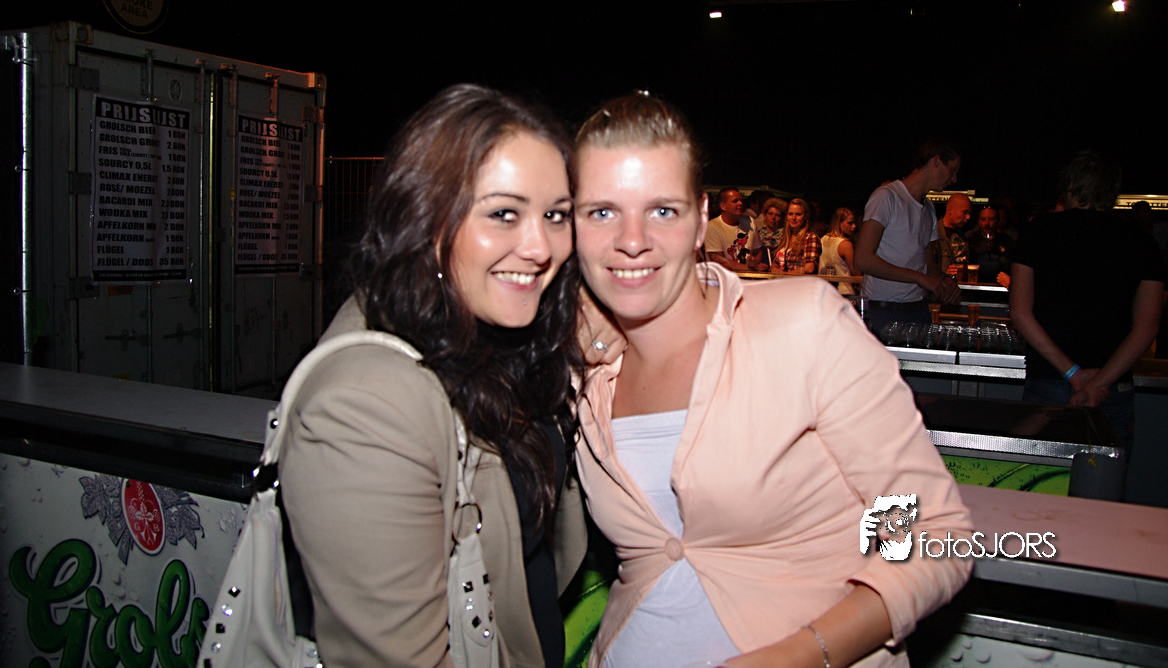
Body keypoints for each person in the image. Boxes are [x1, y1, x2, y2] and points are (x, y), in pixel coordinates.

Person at [571, 93, 973, 668]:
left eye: (661, 210)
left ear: (700, 217)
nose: (632, 239)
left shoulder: (801, 325)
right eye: (602, 212)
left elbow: (928, 529)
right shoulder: (584, 371)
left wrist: (803, 653)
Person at [279, 84, 587, 667]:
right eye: (503, 213)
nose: (540, 247)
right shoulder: (365, 404)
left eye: (556, 215)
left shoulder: (499, 331)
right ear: (427, 215)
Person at [1010, 151, 1165, 454]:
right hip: (1112, 386)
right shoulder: (1143, 242)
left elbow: (1020, 312)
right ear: (1113, 192)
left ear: (1069, 187)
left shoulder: (1037, 232)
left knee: (1041, 477)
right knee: (1104, 480)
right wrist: (1097, 382)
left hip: (1051, 380)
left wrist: (1073, 374)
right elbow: (1146, 327)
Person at [854, 140, 962, 336]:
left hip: (918, 310)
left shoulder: (929, 208)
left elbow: (927, 264)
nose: (954, 179)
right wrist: (921, 279)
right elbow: (862, 259)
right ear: (936, 161)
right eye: (952, 170)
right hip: (882, 311)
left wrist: (945, 280)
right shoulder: (887, 196)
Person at [705, 187, 760, 272]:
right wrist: (748, 268)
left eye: (741, 200)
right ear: (723, 206)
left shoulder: (750, 222)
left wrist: (755, 262)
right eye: (735, 201)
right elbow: (718, 261)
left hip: (749, 277)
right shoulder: (712, 226)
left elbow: (758, 251)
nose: (740, 203)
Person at [965, 206, 1013, 284]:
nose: (986, 223)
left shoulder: (1006, 241)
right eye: (983, 219)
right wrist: (976, 250)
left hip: (999, 287)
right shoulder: (970, 241)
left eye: (991, 219)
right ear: (979, 222)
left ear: (997, 221)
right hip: (975, 286)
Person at [774, 197, 822, 274]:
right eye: (790, 214)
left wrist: (787, 275)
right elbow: (776, 263)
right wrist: (774, 269)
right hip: (784, 280)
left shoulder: (810, 237)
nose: (793, 218)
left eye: (798, 214)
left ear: (805, 216)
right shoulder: (786, 237)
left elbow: (810, 267)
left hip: (800, 281)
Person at [820, 206, 859, 294]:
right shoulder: (845, 244)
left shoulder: (823, 239)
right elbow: (857, 273)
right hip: (844, 291)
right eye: (850, 223)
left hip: (825, 291)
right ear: (840, 224)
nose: (854, 226)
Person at [932, 193, 971, 277]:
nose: (968, 217)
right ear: (950, 210)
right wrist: (943, 274)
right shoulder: (934, 234)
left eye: (969, 213)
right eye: (964, 212)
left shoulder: (964, 235)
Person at [753, 197, 787, 267]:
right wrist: (755, 265)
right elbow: (748, 256)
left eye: (777, 215)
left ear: (782, 218)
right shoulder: (757, 235)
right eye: (770, 214)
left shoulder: (786, 237)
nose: (773, 217)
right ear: (765, 215)